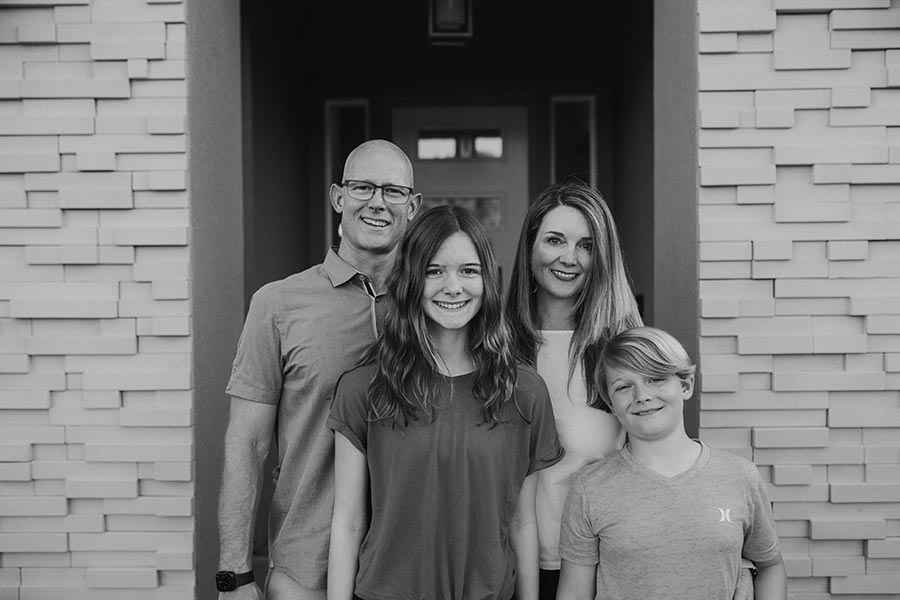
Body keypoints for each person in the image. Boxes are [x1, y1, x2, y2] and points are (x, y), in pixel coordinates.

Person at [217, 140, 421, 600]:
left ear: (412, 206)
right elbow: (247, 443)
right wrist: (234, 575)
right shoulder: (277, 304)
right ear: (337, 197)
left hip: (409, 570)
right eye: (362, 187)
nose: (376, 202)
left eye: (392, 191)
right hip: (307, 566)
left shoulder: (435, 305)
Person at [327, 206, 564, 600]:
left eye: (468, 271)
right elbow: (348, 522)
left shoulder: (524, 391)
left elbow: (522, 522)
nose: (453, 286)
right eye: (434, 271)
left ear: (487, 281)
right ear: (410, 281)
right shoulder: (364, 388)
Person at [557, 327, 787, 600]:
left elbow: (770, 565)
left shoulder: (740, 476)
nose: (641, 395)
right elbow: (574, 593)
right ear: (611, 403)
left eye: (655, 379)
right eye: (623, 386)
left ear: (685, 385)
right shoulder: (590, 487)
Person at [504, 181, 642, 600]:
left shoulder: (623, 350)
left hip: (598, 567)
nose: (569, 258)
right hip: (503, 565)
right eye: (554, 240)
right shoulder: (493, 345)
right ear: (529, 250)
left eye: (585, 245)